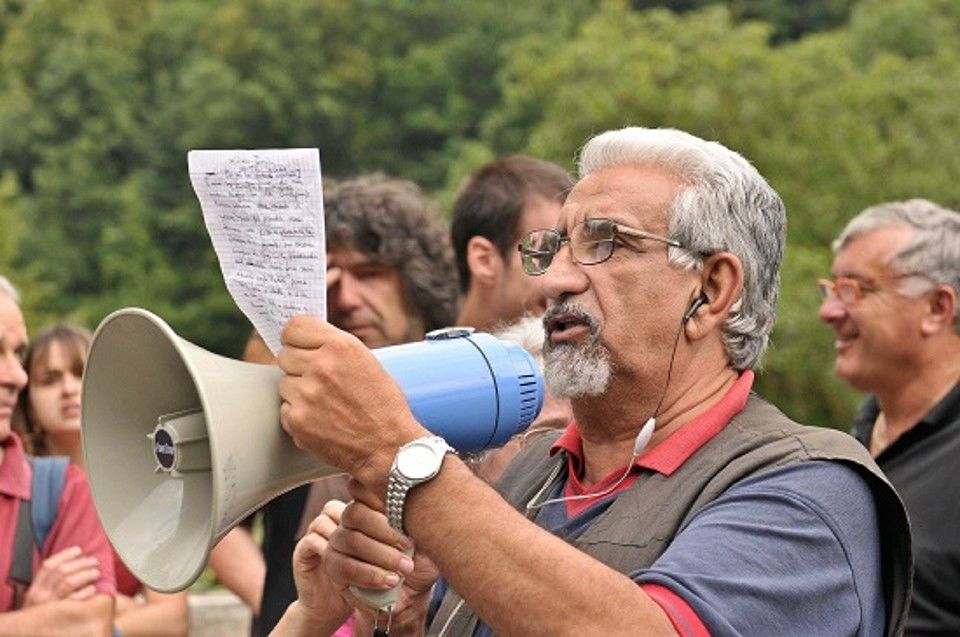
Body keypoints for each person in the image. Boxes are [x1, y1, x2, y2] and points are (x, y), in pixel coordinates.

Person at [273, 127, 912, 636]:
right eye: (553, 247)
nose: (555, 280)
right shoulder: (528, 476)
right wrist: (401, 621)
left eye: (606, 243)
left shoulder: (811, 492)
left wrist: (397, 455)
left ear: (712, 290)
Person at [257, 174, 460, 635]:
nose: (344, 298)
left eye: (368, 275)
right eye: (328, 279)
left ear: (418, 282)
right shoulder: (289, 401)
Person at [818, 198, 960, 634]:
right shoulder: (849, 445)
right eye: (831, 289)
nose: (829, 312)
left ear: (937, 308)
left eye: (855, 290)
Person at [12, 322, 189, 637]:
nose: (68, 388)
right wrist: (124, 608)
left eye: (81, 374)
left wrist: (92, 615)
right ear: (27, 400)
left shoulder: (148, 487)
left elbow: (172, 620)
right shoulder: (15, 493)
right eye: (49, 380)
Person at [0, 276, 116, 634]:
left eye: (18, 354)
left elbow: (88, 623)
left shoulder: (62, 488)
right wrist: (30, 620)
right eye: (48, 378)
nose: (15, 376)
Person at [452, 155, 573, 331]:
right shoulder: (420, 357)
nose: (568, 279)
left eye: (575, 253)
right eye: (546, 252)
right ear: (483, 260)